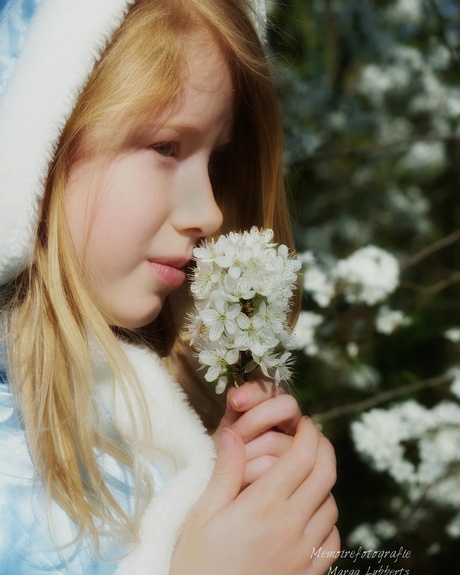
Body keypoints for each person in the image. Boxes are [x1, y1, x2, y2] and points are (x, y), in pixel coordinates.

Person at [0, 0, 340, 573]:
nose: (208, 211)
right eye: (165, 147)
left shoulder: (158, 428)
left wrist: (231, 500)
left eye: (215, 159)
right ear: (38, 145)